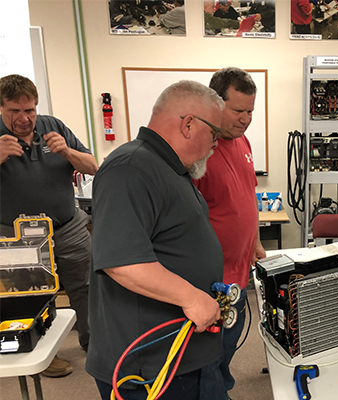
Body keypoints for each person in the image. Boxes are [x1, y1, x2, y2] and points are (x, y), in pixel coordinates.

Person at [86, 80, 225, 400]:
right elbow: (122, 262)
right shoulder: (130, 168)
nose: (216, 143)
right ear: (189, 124)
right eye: (214, 134)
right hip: (149, 366)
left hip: (185, 351)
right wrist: (192, 297)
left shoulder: (169, 168)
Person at [0, 74, 98, 377]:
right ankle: (42, 355)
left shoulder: (53, 127)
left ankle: (93, 343)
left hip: (67, 227)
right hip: (16, 237)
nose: (23, 118)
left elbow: (93, 166)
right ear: (2, 108)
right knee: (29, 297)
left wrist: (67, 152)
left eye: (29, 110)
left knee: (86, 288)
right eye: (14, 111)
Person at [192, 67, 266, 400]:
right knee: (207, 358)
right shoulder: (197, 152)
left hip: (239, 274)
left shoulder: (242, 140)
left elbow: (247, 195)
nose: (246, 119)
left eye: (250, 110)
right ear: (214, 103)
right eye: (238, 111)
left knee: (228, 347)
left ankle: (221, 389)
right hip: (210, 280)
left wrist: (256, 241)